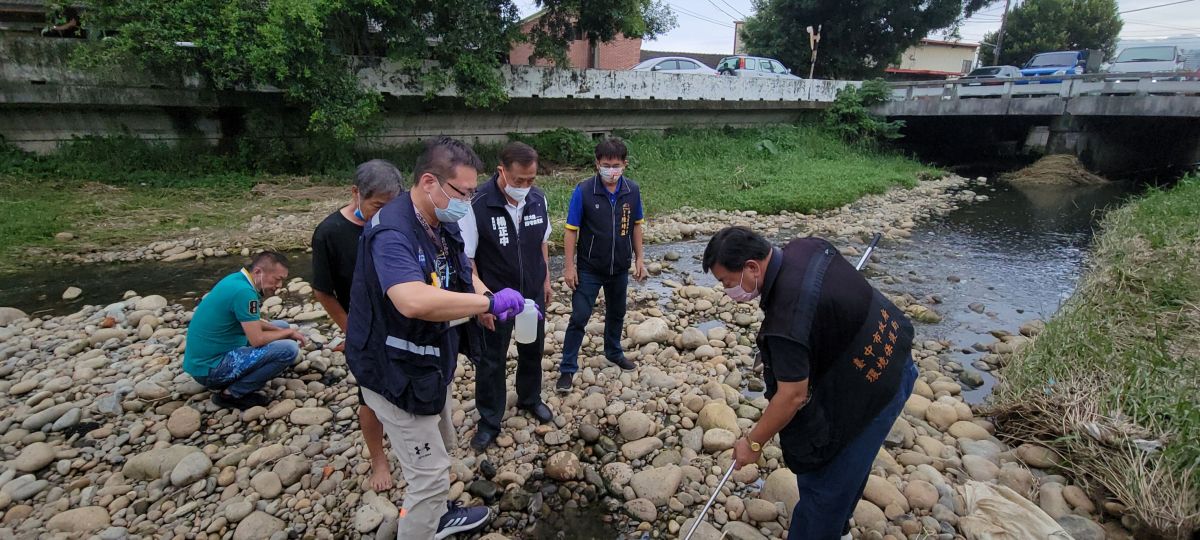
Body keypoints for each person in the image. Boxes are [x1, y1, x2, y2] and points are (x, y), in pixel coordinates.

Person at [345, 136, 530, 539]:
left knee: (441, 444)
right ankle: (422, 526)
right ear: (429, 182)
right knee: (427, 476)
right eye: (463, 192)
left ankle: (438, 515)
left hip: (429, 362)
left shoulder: (438, 221)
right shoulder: (392, 231)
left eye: (472, 191)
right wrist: (484, 306)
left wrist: (484, 295)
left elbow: (461, 265)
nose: (468, 199)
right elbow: (411, 299)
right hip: (393, 369)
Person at [702, 227, 917, 540]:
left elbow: (792, 396)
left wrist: (753, 443)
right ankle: (837, 530)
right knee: (849, 474)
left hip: (875, 392)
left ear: (751, 267)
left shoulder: (786, 320)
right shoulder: (808, 247)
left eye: (727, 282)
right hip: (895, 357)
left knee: (824, 487)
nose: (728, 290)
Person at [311, 159, 404, 491]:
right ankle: (379, 459)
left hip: (404, 323)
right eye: (378, 206)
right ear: (356, 194)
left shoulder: (398, 223)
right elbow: (322, 290)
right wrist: (351, 329)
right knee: (369, 397)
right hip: (365, 331)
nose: (384, 214)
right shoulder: (331, 233)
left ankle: (413, 449)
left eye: (391, 207)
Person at [458, 142, 554, 452]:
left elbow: (542, 242)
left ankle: (529, 398)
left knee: (532, 348)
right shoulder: (478, 204)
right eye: (518, 180)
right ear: (502, 171)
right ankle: (489, 420)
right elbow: (468, 258)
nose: (526, 187)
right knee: (491, 359)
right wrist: (482, 301)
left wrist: (546, 280)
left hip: (531, 293)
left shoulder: (538, 200)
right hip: (495, 296)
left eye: (531, 180)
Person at [558, 138, 648, 392]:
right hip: (588, 268)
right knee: (579, 316)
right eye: (606, 164)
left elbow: (637, 225)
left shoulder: (632, 190)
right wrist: (569, 266)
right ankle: (567, 368)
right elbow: (571, 230)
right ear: (597, 163)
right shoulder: (584, 190)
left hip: (619, 267)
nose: (611, 170)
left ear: (625, 164)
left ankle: (613, 351)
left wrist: (639, 258)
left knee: (617, 312)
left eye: (616, 165)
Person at [184, 251, 306, 410]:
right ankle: (231, 394)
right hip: (210, 370)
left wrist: (280, 330)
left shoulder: (237, 279)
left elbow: (253, 322)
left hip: (207, 359)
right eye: (277, 279)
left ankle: (257, 372)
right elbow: (257, 340)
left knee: (281, 326)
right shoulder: (245, 293)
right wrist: (289, 334)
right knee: (289, 349)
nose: (279, 286)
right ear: (258, 272)